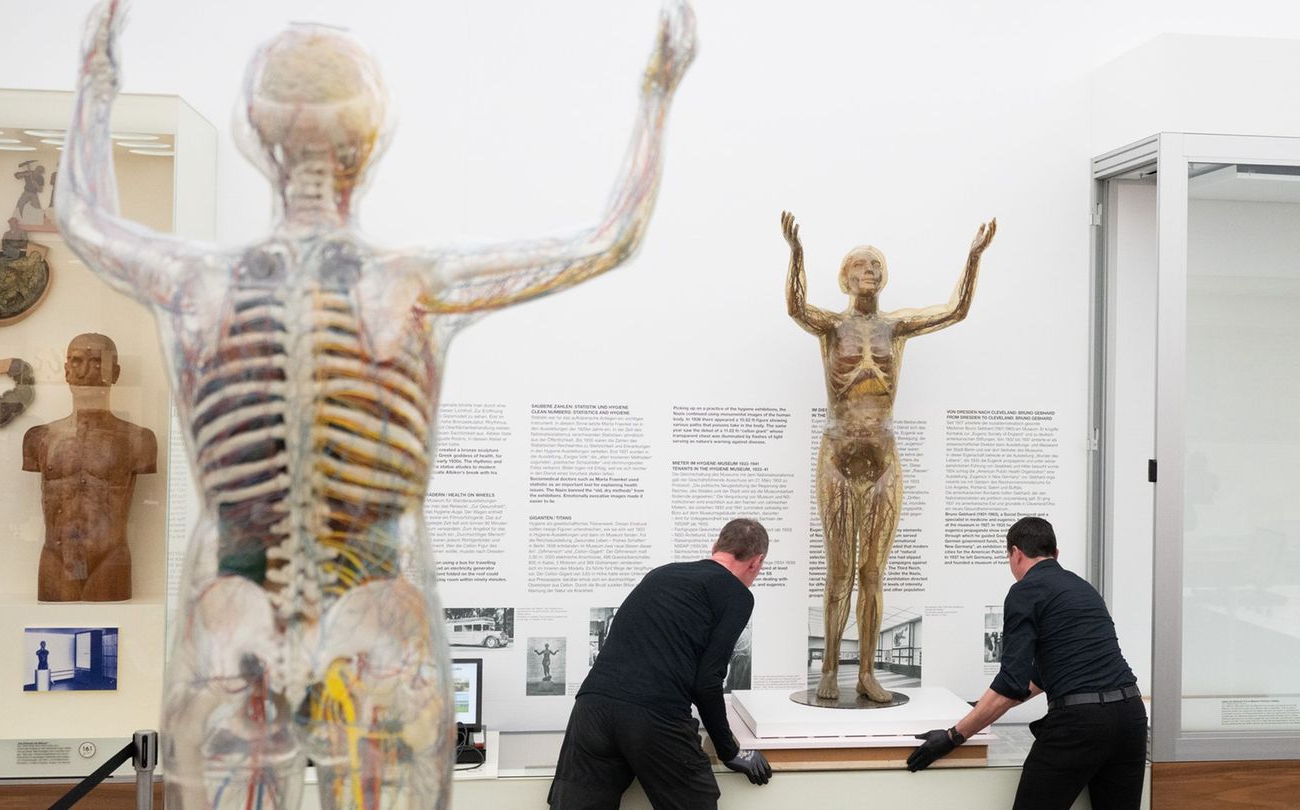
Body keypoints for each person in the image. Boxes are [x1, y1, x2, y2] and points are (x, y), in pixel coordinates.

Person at [57, 2, 694, 806]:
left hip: (254, 611)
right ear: (374, 135)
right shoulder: (411, 285)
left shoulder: (199, 284)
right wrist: (656, 92)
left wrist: (97, 73)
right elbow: (612, 236)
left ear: (256, 133)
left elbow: (81, 215)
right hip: (348, 611)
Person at [781, 211, 996, 702]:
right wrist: (795, 254)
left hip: (883, 459)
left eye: (876, 265)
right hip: (838, 454)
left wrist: (973, 257)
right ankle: (830, 670)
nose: (869, 272)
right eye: (860, 266)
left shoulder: (895, 329)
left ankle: (867, 672)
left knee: (873, 574)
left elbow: (955, 310)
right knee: (839, 572)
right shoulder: (832, 328)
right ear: (845, 276)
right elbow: (795, 305)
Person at [906, 517, 1146, 810]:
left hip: (1080, 725)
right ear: (1055, 554)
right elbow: (1039, 680)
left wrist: (952, 736)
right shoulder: (1083, 589)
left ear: (1016, 553)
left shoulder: (1025, 591)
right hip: (1131, 718)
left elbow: (1012, 684)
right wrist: (980, 708)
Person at [549, 518, 773, 810]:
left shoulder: (662, 574)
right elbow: (706, 681)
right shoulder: (736, 594)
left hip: (592, 707)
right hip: (654, 716)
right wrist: (730, 751)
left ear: (716, 547)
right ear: (756, 563)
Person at [23, 333, 157, 602]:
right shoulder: (39, 437)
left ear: (114, 373)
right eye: (76, 361)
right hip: (55, 557)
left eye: (96, 363)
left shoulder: (138, 439)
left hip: (111, 557)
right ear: (66, 370)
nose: (85, 372)